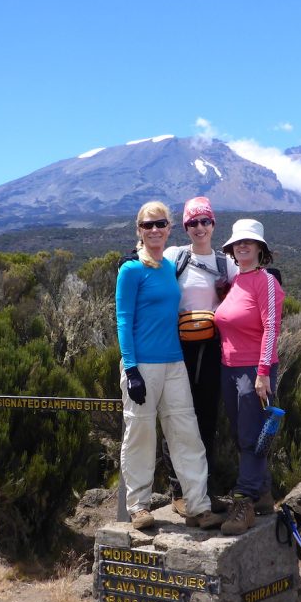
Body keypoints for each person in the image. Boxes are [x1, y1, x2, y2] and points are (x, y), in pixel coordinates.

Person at [115, 200, 224, 531]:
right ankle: (138, 506)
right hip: (143, 365)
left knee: (186, 433)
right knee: (141, 434)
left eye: (160, 224)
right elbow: (123, 319)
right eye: (147, 225)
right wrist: (131, 369)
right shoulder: (131, 270)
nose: (154, 230)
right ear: (139, 230)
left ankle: (198, 505)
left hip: (174, 361)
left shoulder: (169, 264)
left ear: (169, 229)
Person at [213, 218, 285, 535]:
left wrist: (264, 372)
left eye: (249, 242)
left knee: (250, 436)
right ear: (231, 249)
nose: (242, 246)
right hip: (230, 369)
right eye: (238, 242)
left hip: (254, 370)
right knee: (247, 433)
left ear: (260, 248)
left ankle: (244, 501)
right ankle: (264, 494)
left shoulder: (266, 282)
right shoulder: (234, 283)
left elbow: (272, 328)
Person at [160, 196, 229, 517]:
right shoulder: (176, 256)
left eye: (205, 221)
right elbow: (146, 261)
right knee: (176, 415)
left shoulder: (223, 262)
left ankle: (203, 490)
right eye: (192, 223)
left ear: (214, 224)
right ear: (185, 227)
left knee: (206, 418)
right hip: (178, 347)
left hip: (212, 349)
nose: (199, 228)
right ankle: (178, 490)